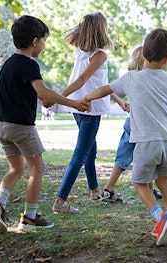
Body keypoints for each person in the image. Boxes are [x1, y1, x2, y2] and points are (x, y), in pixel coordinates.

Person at [83, 28, 167, 246]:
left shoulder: (131, 78)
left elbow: (106, 89)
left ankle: (160, 218)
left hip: (146, 142)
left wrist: (87, 97)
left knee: (139, 182)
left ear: (143, 55)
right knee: (162, 181)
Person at [0, 15, 90, 233]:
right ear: (35, 41)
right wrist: (73, 103)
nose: (44, 44)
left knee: (15, 168)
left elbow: (35, 95)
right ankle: (29, 218)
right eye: (44, 40)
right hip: (21, 126)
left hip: (1, 125)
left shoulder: (8, 64)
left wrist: (47, 99)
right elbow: (42, 92)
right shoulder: (29, 65)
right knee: (37, 169)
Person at [51, 12, 128, 214]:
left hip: (79, 105)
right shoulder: (100, 54)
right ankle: (60, 201)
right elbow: (82, 80)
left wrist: (119, 100)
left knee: (90, 149)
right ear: (101, 29)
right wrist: (57, 97)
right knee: (81, 153)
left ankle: (94, 191)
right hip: (89, 107)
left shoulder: (81, 52)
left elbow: (101, 83)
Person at [101, 45, 162, 203]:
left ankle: (109, 188)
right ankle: (148, 189)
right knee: (148, 155)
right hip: (143, 124)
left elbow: (110, 88)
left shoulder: (130, 77)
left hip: (130, 121)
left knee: (123, 156)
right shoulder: (151, 78)